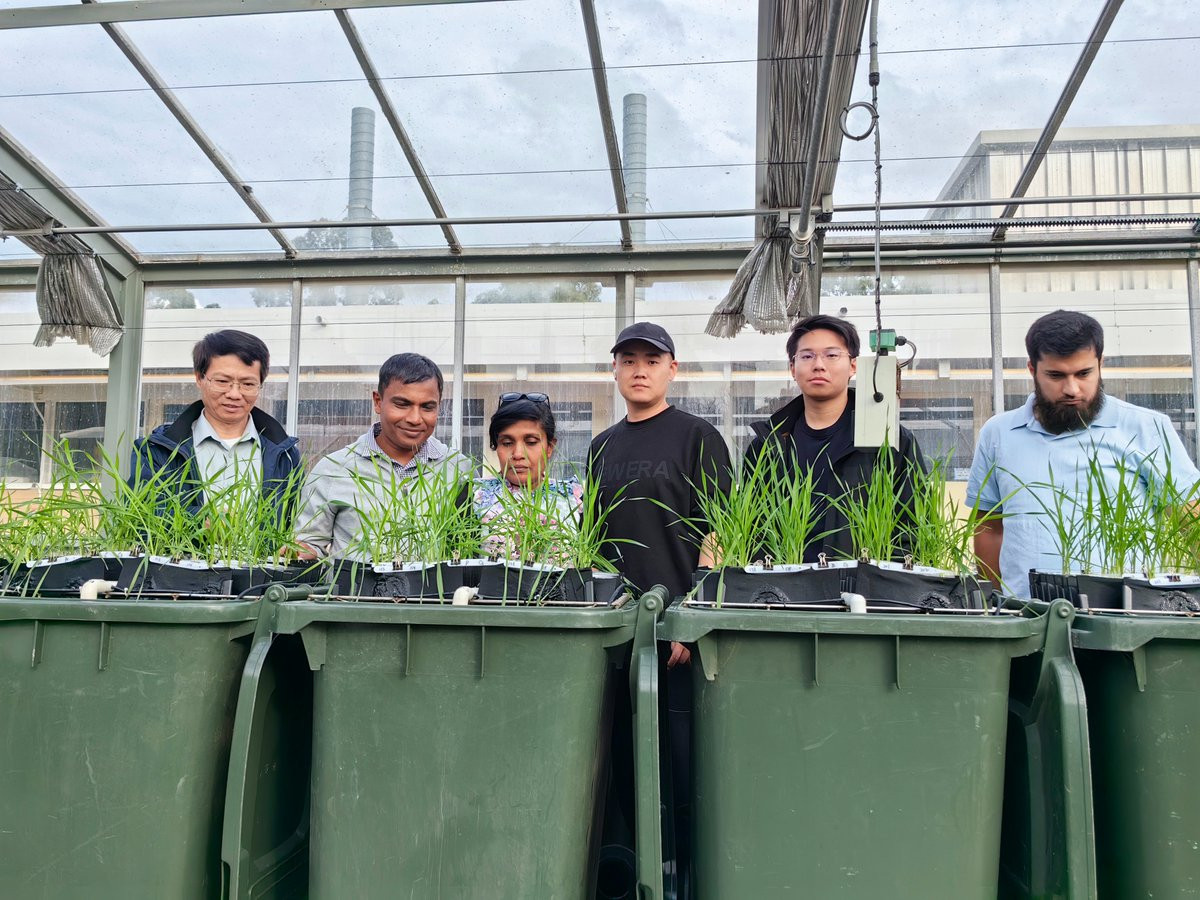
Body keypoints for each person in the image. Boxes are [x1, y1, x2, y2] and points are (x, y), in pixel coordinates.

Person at [586, 321, 731, 894]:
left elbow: (720, 533)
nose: (639, 370)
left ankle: (686, 879)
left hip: (676, 639)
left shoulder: (697, 437)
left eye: (652, 360)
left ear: (673, 369)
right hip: (618, 632)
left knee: (681, 767)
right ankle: (638, 877)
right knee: (624, 764)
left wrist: (690, 621)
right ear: (615, 370)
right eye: (628, 360)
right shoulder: (602, 445)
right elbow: (593, 542)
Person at [967, 309, 1200, 597]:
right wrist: (994, 603)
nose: (1071, 389)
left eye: (1084, 373)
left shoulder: (1145, 427)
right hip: (1026, 614)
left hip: (1123, 613)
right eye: (1056, 375)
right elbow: (989, 528)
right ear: (1032, 369)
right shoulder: (998, 433)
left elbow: (1191, 523)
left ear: (1100, 364)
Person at [744, 314, 926, 561]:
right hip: (785, 584)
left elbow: (912, 531)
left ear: (853, 365)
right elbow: (752, 530)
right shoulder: (767, 445)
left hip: (864, 584)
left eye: (831, 355)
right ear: (792, 368)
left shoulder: (888, 440)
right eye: (807, 356)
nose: (818, 365)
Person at [295, 352, 469, 559]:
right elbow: (309, 544)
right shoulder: (334, 469)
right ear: (378, 401)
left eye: (427, 407)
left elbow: (469, 547)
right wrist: (301, 552)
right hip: (354, 583)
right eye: (402, 404)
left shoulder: (458, 469)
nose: (415, 419)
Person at [130, 329, 301, 516]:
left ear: (260, 385)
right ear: (199, 378)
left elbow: (297, 523)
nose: (234, 394)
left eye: (248, 384)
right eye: (222, 381)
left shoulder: (286, 455)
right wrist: (202, 522)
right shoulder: (157, 451)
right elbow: (140, 518)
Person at [472, 392, 582, 560]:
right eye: (507, 443)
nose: (518, 454)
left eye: (531, 442)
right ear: (496, 446)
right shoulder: (476, 496)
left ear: (550, 447)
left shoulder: (573, 498)